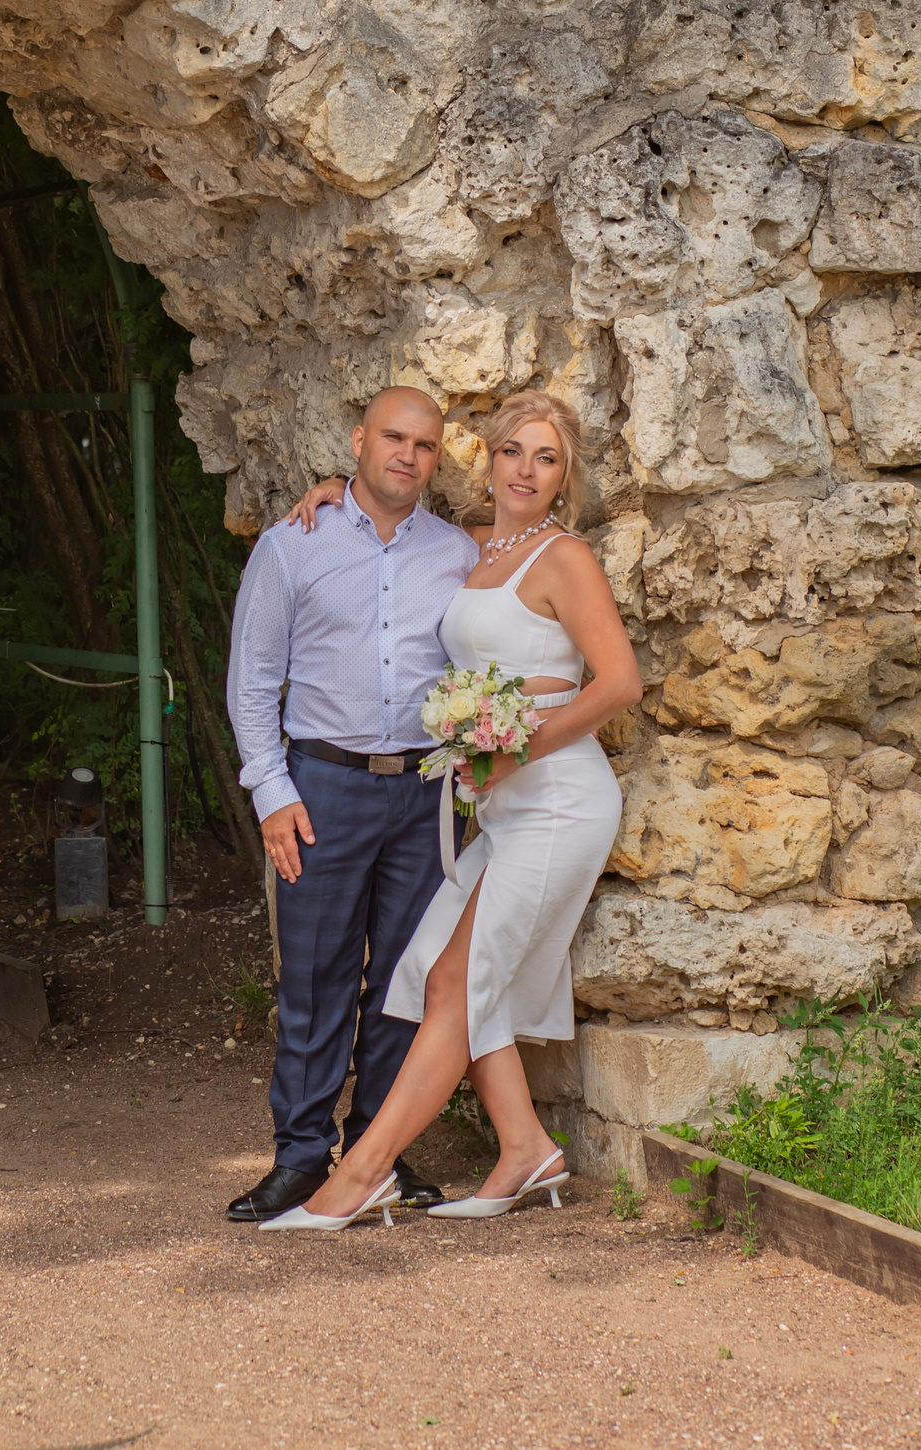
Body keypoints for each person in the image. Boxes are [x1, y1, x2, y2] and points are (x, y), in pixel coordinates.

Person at [258, 389, 642, 1230]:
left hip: (558, 799)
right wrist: (335, 491)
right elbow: (387, 527)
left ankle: (362, 1174)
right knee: (440, 975)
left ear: (565, 476)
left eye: (547, 458)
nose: (526, 471)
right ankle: (525, 1147)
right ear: (489, 460)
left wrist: (515, 752)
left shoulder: (565, 557)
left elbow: (620, 683)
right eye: (513, 452)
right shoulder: (468, 545)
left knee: (458, 985)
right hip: (499, 809)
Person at [221, 386, 480, 1223]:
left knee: (406, 978)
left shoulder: (456, 554)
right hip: (322, 788)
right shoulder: (292, 546)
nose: (408, 455)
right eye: (394, 438)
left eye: (425, 446)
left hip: (427, 790)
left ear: (436, 460)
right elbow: (252, 681)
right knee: (315, 976)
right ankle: (300, 1159)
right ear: (360, 441)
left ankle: (378, 1153)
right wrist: (272, 793)